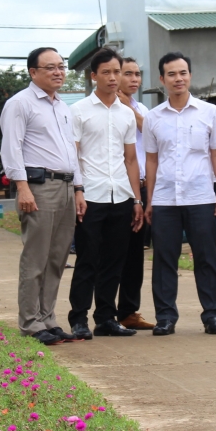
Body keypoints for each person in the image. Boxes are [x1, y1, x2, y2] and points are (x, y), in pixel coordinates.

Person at [0, 46, 86, 346]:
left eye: (61, 67)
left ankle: (48, 317)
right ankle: (30, 322)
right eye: (50, 67)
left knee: (57, 257)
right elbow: (11, 148)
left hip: (64, 186)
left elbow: (71, 153)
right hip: (39, 187)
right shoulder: (20, 104)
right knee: (36, 257)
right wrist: (22, 187)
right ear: (32, 72)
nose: (58, 72)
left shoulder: (63, 107)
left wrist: (78, 188)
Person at [144, 52, 216, 336]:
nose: (177, 79)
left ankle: (212, 315)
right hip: (165, 200)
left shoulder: (209, 112)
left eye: (182, 73)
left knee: (206, 257)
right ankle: (165, 317)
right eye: (171, 74)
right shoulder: (153, 118)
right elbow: (152, 161)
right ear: (162, 79)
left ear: (190, 76)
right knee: (164, 259)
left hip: (201, 197)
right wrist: (149, 200)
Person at [68, 49, 145, 339]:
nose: (113, 78)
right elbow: (74, 156)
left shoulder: (127, 114)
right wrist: (78, 190)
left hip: (122, 196)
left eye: (117, 72)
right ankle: (78, 318)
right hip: (91, 196)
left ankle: (105, 319)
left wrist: (137, 200)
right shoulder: (79, 111)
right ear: (93, 76)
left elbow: (131, 160)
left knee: (115, 261)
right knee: (88, 260)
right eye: (106, 72)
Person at [115, 56, 156, 330]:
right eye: (127, 73)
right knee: (111, 252)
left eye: (137, 74)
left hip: (140, 185)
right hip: (115, 187)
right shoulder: (104, 109)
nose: (134, 79)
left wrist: (129, 109)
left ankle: (129, 310)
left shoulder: (140, 108)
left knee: (134, 253)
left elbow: (151, 133)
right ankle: (104, 312)